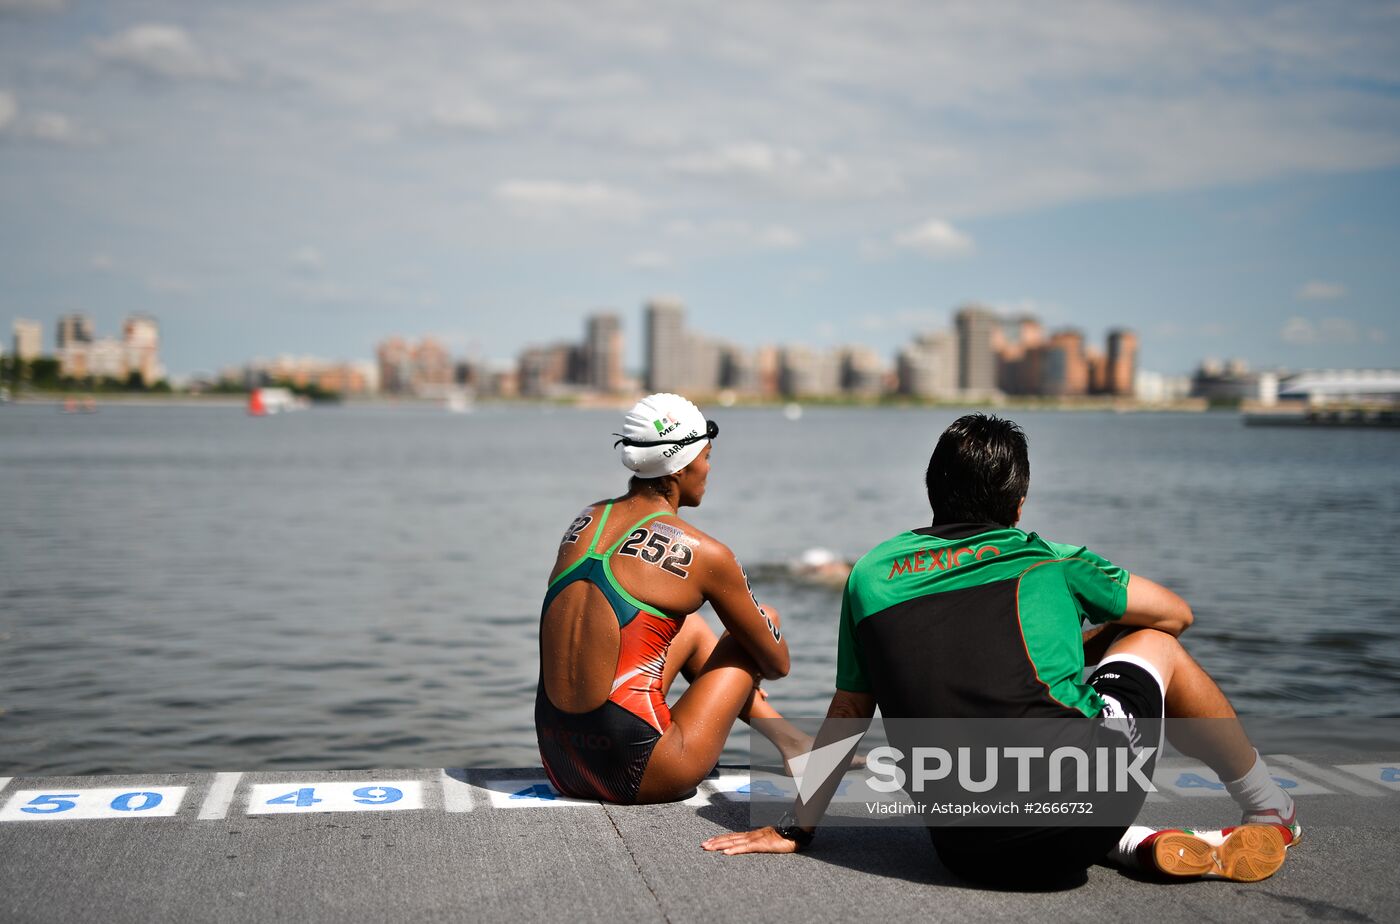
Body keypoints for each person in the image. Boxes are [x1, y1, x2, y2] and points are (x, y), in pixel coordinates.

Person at [704, 413, 1300, 884]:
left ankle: (1128, 841)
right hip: (1085, 805)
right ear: (1018, 502)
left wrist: (799, 828)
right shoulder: (1051, 558)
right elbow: (1178, 615)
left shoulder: (871, 574)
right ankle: (1270, 808)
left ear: (932, 490)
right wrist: (1088, 639)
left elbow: (850, 712)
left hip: (962, 848)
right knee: (1151, 641)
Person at [536, 393, 808, 804]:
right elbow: (776, 664)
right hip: (640, 772)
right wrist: (743, 670)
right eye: (707, 456)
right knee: (757, 624)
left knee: (695, 630)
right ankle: (799, 747)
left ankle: (793, 743)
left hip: (561, 763)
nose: (709, 468)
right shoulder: (706, 553)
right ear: (681, 467)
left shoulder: (587, 518)